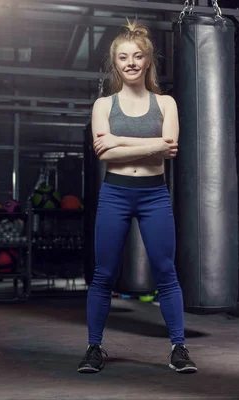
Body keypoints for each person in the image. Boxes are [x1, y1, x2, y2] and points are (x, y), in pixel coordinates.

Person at [77, 20, 197, 374]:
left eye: (137, 56)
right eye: (123, 57)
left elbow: (168, 150)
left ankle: (178, 349)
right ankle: (94, 348)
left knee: (166, 273)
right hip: (115, 194)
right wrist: (150, 145)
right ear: (115, 64)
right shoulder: (103, 105)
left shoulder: (166, 103)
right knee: (104, 274)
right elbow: (104, 154)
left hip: (153, 195)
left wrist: (119, 141)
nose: (130, 63)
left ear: (147, 61)